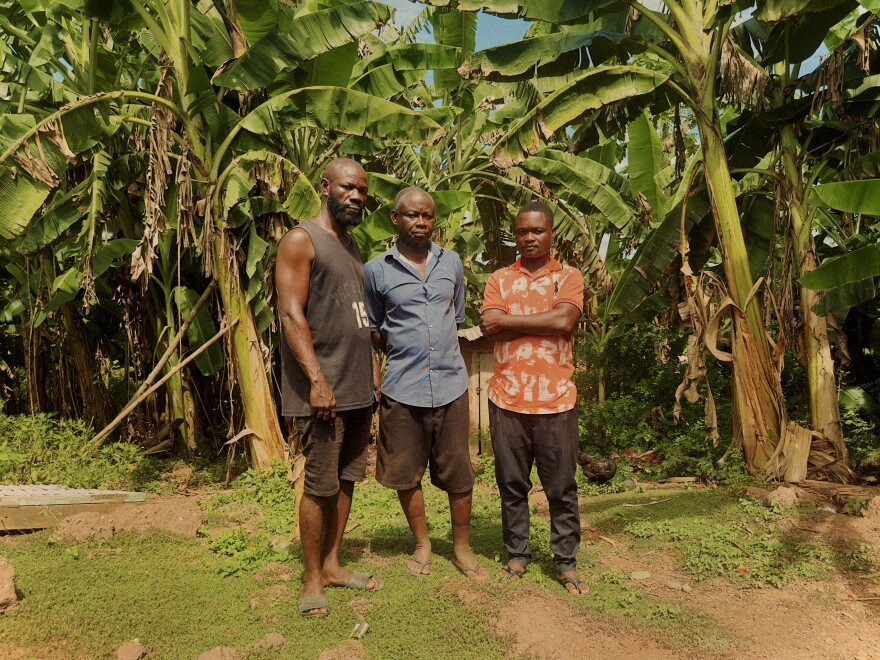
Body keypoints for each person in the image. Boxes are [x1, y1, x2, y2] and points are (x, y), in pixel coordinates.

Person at [275, 158, 382, 619]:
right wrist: (317, 382)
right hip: (325, 393)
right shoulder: (302, 240)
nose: (356, 196)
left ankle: (334, 564)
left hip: (357, 389)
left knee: (346, 481)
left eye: (361, 190)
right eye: (347, 187)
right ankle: (311, 578)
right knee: (318, 486)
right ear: (325, 187)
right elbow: (290, 314)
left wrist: (373, 369)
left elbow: (355, 316)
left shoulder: (352, 244)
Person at [363, 187, 488, 580]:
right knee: (406, 471)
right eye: (412, 215)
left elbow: (457, 317)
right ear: (395, 219)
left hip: (451, 385)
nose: (421, 223)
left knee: (459, 472)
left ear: (435, 221)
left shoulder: (451, 263)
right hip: (402, 388)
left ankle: (463, 548)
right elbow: (375, 328)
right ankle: (422, 543)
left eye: (428, 216)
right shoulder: (376, 270)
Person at [479, 201, 589, 595]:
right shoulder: (499, 279)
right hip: (506, 399)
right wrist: (543, 322)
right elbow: (490, 329)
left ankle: (565, 561)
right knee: (512, 484)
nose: (528, 238)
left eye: (537, 231)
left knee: (561, 487)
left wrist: (510, 322)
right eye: (522, 231)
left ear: (551, 234)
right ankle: (518, 553)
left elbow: (565, 320)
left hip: (556, 401)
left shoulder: (569, 277)